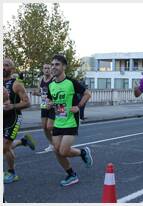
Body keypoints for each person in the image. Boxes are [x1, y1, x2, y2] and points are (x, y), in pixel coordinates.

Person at [46, 54, 93, 186]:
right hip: (58, 121)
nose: (53, 67)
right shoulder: (51, 85)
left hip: (71, 121)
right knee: (56, 150)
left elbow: (87, 94)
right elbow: (50, 99)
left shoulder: (71, 82)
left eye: (57, 64)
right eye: (52, 64)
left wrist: (78, 107)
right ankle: (71, 174)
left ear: (64, 67)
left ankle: (82, 152)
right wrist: (49, 103)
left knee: (63, 151)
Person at [3, 58, 35, 184]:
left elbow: (27, 103)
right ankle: (23, 141)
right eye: (2, 65)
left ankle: (12, 173)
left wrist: (12, 106)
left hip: (13, 118)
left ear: (12, 69)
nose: (3, 67)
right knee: (6, 146)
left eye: (7, 65)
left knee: (4, 146)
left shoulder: (16, 84)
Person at [32, 64, 55, 151]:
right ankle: (51, 144)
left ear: (51, 69)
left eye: (48, 68)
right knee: (44, 127)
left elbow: (57, 92)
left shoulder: (54, 79)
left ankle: (58, 139)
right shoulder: (41, 79)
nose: (47, 70)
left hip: (53, 105)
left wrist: (52, 102)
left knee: (49, 127)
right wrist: (35, 93)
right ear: (42, 70)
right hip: (44, 105)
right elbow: (40, 92)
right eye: (45, 68)